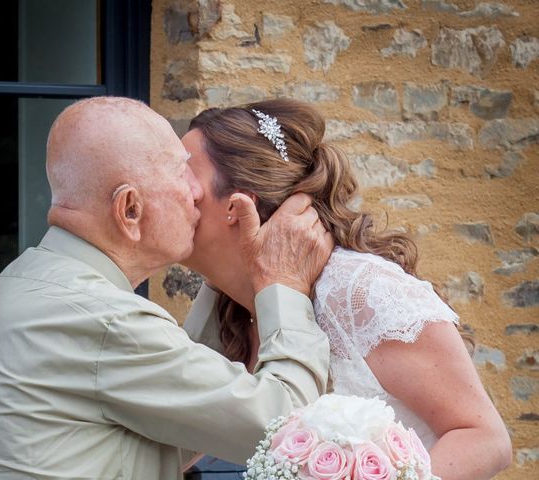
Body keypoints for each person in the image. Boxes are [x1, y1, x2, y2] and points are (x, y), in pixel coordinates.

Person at [0, 97, 335, 479]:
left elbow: (175, 428)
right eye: (180, 173)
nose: (196, 191)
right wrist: (282, 282)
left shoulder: (1, 295)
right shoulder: (105, 320)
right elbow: (288, 425)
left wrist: (226, 272)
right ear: (130, 209)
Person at [182, 98, 512, 480]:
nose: (166, 188)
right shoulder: (230, 305)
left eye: (183, 176)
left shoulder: (360, 290)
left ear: (237, 207)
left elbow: (486, 438)